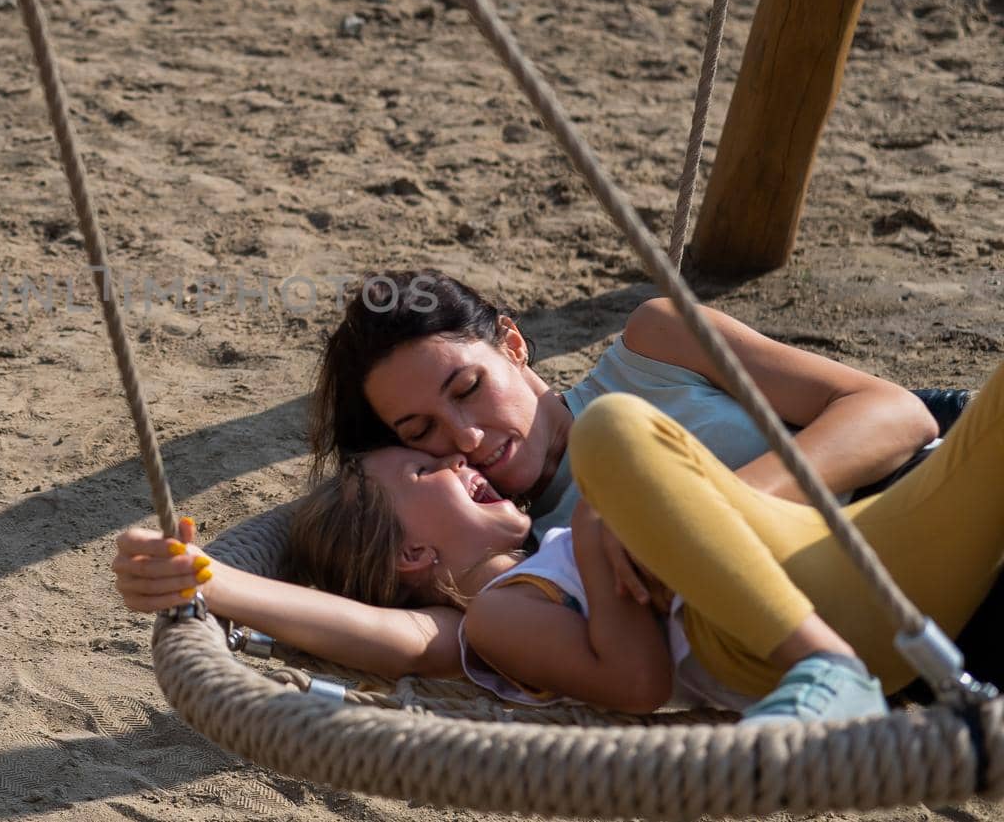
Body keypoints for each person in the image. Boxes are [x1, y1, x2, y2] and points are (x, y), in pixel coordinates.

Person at [112, 270, 990, 718]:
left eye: (466, 390)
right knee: (614, 445)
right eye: (420, 438)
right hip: (895, 622)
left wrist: (699, 510)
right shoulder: (525, 562)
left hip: (929, 498)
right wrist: (201, 577)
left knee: (618, 440)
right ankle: (825, 663)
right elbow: (407, 639)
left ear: (514, 346)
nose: (464, 443)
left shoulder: (652, 345)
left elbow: (896, 413)